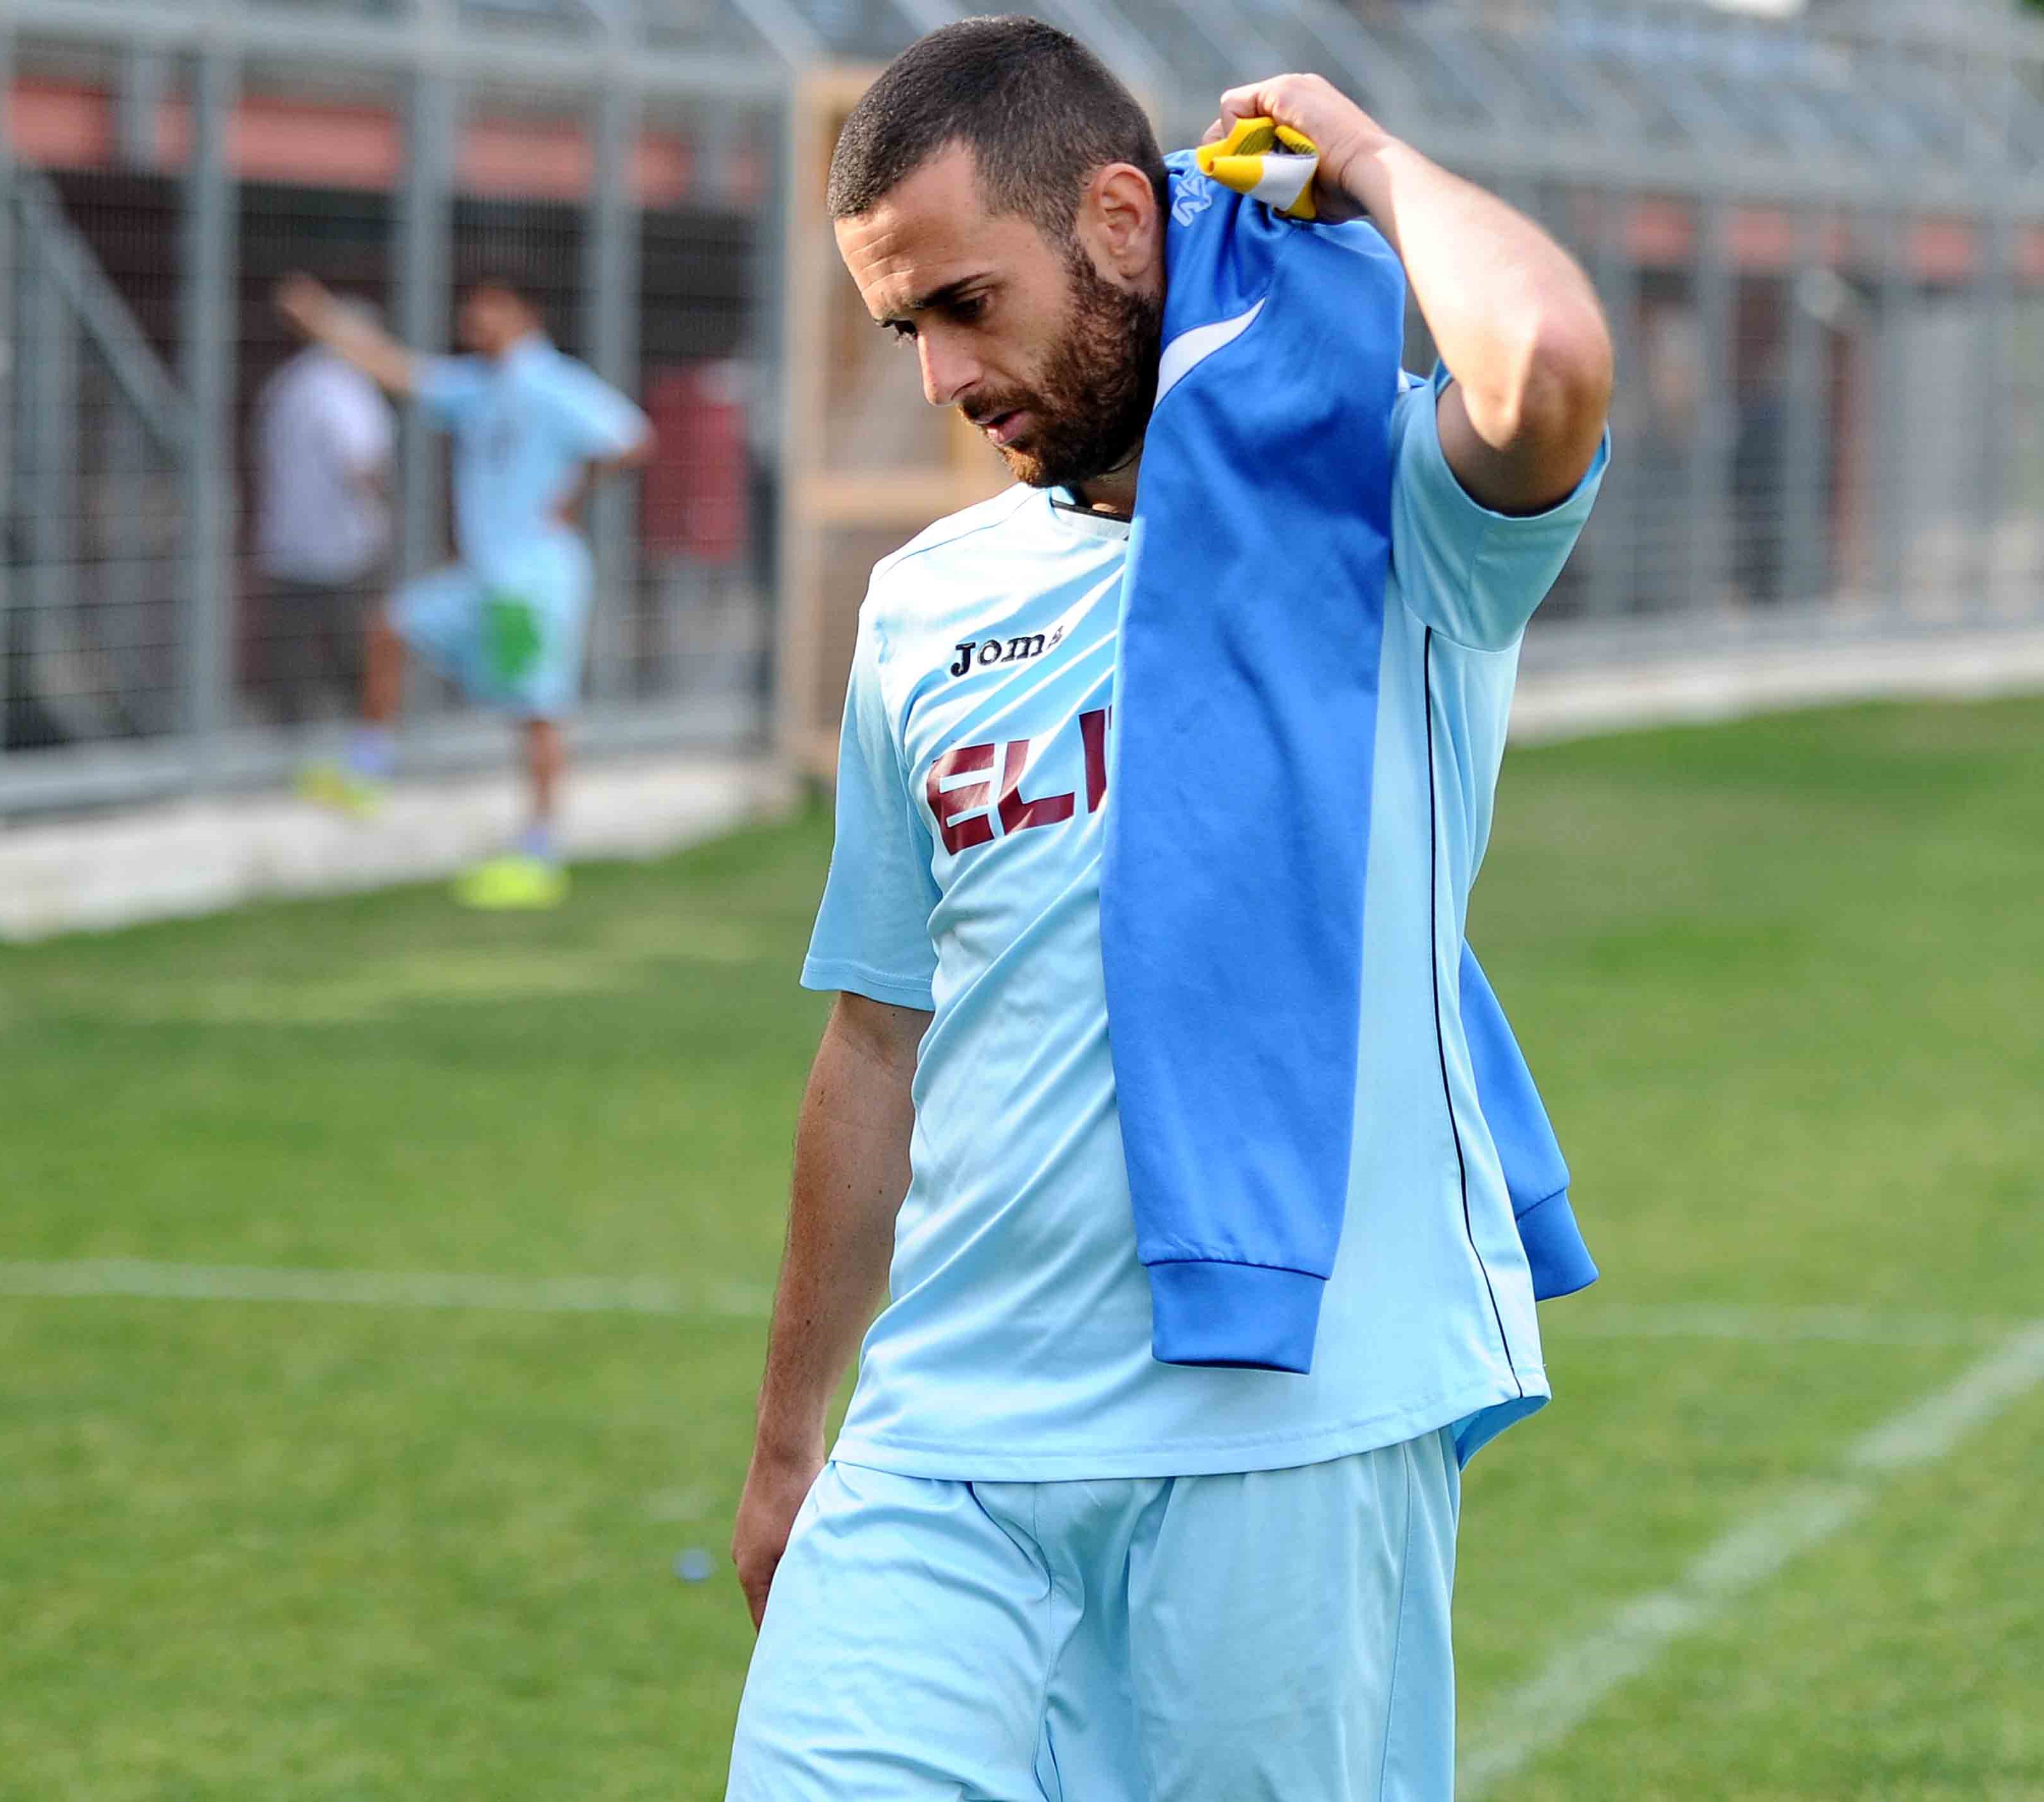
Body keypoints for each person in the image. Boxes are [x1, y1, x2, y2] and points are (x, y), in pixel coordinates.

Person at [727, 19, 1611, 1802]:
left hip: (1289, 1431)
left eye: (967, 304)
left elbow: (1550, 360)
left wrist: (1365, 159)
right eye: (905, 328)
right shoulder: (923, 605)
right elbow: (877, 1037)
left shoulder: (1386, 510)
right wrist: (787, 1441)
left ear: (1123, 223)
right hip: (944, 1444)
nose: (940, 377)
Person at [276, 267, 652, 911]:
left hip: (534, 581)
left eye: (490, 309)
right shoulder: (474, 386)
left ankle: (538, 853)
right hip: (484, 576)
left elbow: (632, 439)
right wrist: (322, 320)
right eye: (471, 309)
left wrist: (570, 495)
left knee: (537, 711)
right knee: (392, 625)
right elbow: (391, 366)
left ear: (525, 315)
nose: (474, 321)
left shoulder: (551, 383)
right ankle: (368, 770)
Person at [252, 299, 398, 724]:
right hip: (345, 547)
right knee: (358, 658)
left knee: (291, 657)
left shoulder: (289, 380)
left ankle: (290, 740)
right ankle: (366, 745)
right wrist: (393, 519)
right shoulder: (345, 387)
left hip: (285, 539)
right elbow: (362, 466)